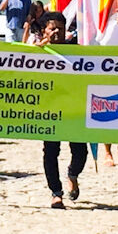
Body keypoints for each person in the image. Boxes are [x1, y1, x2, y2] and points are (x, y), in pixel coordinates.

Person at [34, 11, 87, 209]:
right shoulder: (36, 52)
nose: (57, 32)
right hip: (49, 110)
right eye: (52, 28)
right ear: (43, 31)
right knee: (50, 152)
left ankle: (73, 174)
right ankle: (56, 192)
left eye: (60, 28)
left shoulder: (78, 51)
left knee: (80, 152)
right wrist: (38, 51)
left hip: (75, 109)